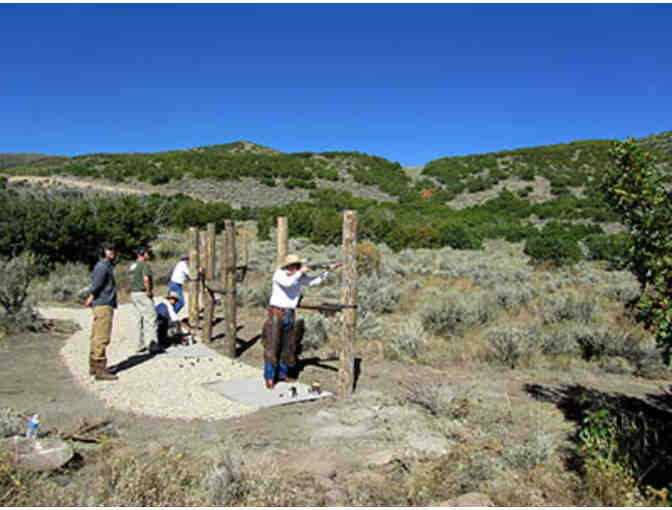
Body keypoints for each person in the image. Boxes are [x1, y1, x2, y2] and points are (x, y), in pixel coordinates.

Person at [262, 254, 340, 389]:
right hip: (276, 313)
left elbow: (313, 282)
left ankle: (282, 374)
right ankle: (269, 377)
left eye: (297, 265)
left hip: (289, 313)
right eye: (295, 265)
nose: (296, 267)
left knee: (287, 346)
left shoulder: (298, 276)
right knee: (272, 345)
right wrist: (300, 273)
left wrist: (327, 271)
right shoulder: (279, 274)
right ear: (288, 266)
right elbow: (288, 283)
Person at [84, 244, 118, 381]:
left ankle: (93, 365)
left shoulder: (104, 266)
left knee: (96, 335)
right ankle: (100, 369)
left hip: (102, 303)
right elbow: (97, 285)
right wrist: (91, 297)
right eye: (109, 250)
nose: (113, 252)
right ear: (103, 252)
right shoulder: (102, 267)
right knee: (102, 336)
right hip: (103, 304)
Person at [129, 246, 161, 354]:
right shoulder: (144, 265)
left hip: (134, 293)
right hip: (143, 293)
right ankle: (152, 344)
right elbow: (146, 278)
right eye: (147, 253)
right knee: (151, 318)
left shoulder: (133, 266)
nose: (148, 255)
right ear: (143, 254)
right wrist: (148, 291)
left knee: (138, 320)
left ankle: (139, 345)